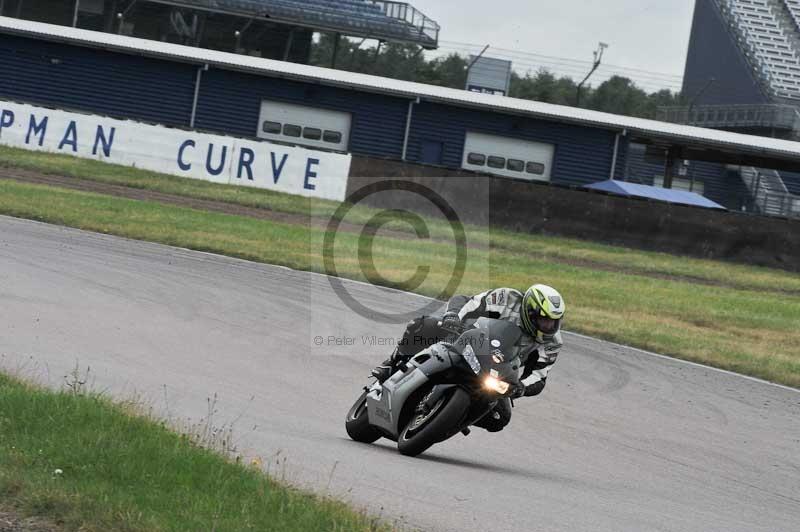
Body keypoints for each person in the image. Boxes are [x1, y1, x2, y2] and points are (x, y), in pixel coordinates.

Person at [372, 284, 565, 432]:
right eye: (544, 320)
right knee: (422, 325)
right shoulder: (506, 298)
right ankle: (392, 363)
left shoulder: (552, 342)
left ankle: (452, 418)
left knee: (500, 418)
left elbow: (539, 375)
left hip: (498, 370)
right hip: (466, 340)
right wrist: (454, 318)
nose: (548, 327)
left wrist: (522, 387)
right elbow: (467, 302)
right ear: (529, 312)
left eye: (553, 322)